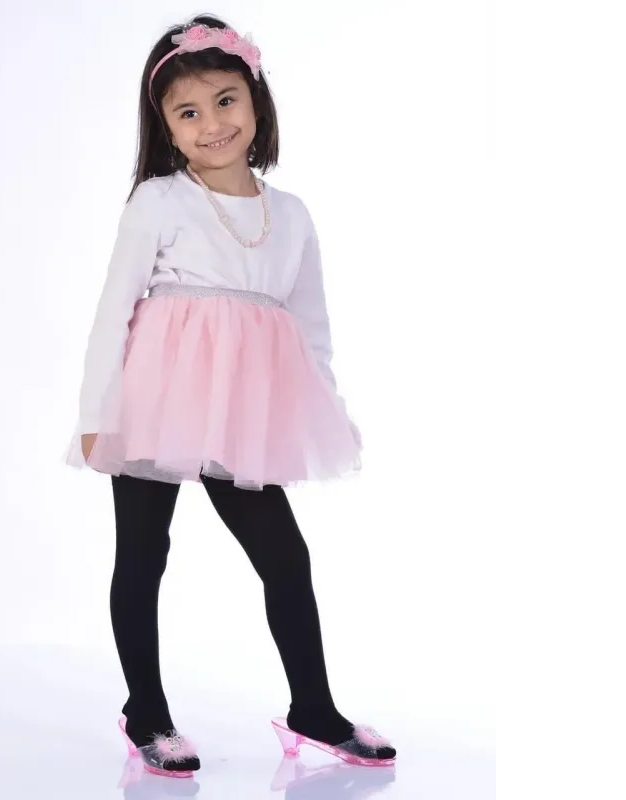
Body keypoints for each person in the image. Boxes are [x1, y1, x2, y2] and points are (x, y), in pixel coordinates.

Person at [64, 14, 397, 779]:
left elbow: (310, 327)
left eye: (225, 100)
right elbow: (114, 310)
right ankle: (146, 713)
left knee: (285, 555)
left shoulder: (292, 214)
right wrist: (95, 412)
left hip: (242, 412)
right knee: (144, 551)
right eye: (188, 112)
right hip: (156, 399)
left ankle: (313, 709)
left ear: (255, 100)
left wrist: (327, 409)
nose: (212, 123)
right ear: (166, 128)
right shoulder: (159, 201)